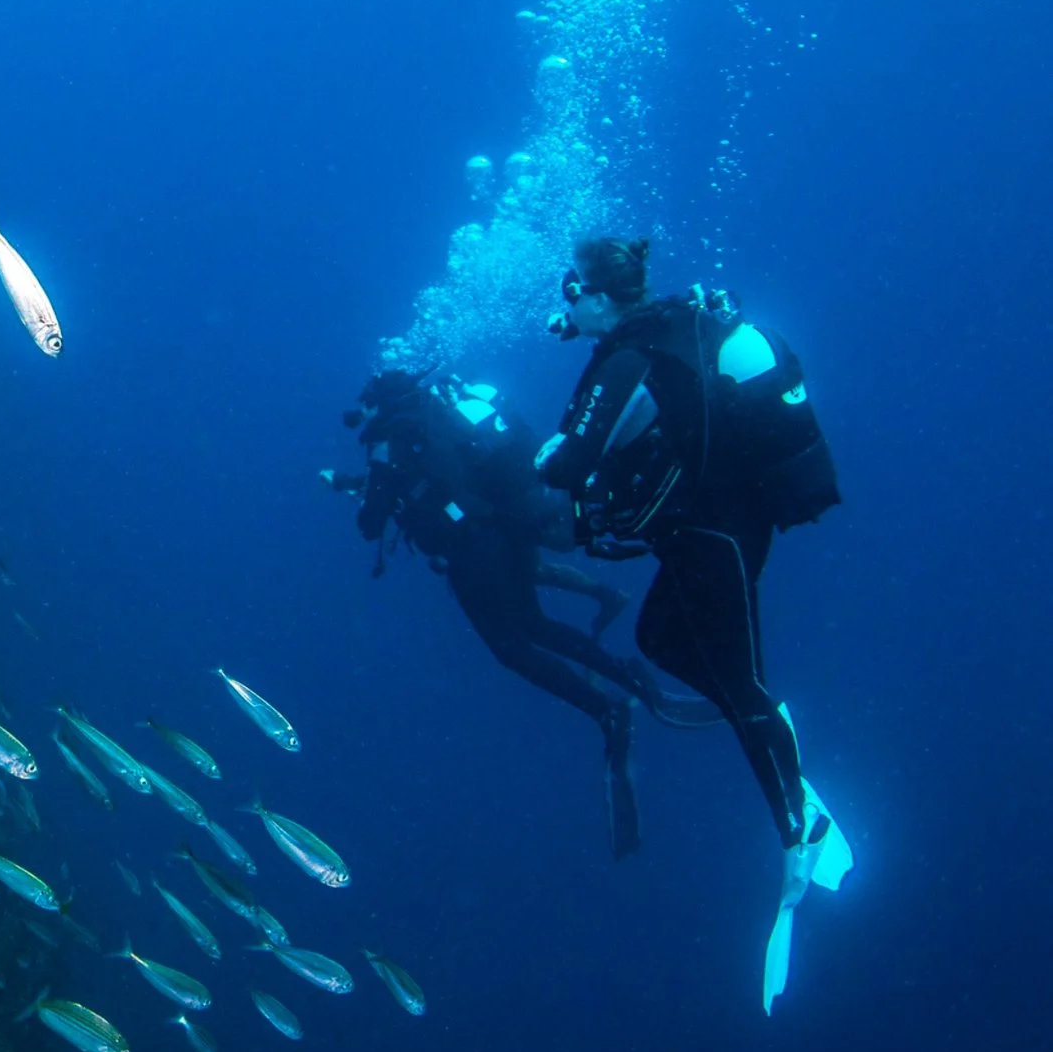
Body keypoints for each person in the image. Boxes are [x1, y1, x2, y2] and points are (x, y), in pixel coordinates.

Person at [534, 236, 852, 1009]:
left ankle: (794, 829)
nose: (564, 304)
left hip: (718, 531)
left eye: (571, 290)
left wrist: (542, 451)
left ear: (600, 295)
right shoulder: (674, 329)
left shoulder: (629, 353)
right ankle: (771, 733)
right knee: (658, 638)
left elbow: (569, 463)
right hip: (709, 528)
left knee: (740, 682)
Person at [333, 368, 674, 858]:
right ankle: (628, 677)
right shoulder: (436, 416)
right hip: (506, 530)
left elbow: (372, 522)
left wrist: (366, 498)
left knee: (509, 648)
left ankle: (608, 711)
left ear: (376, 403)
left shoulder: (391, 436)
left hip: (472, 552)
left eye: (364, 404)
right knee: (534, 623)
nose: (359, 414)